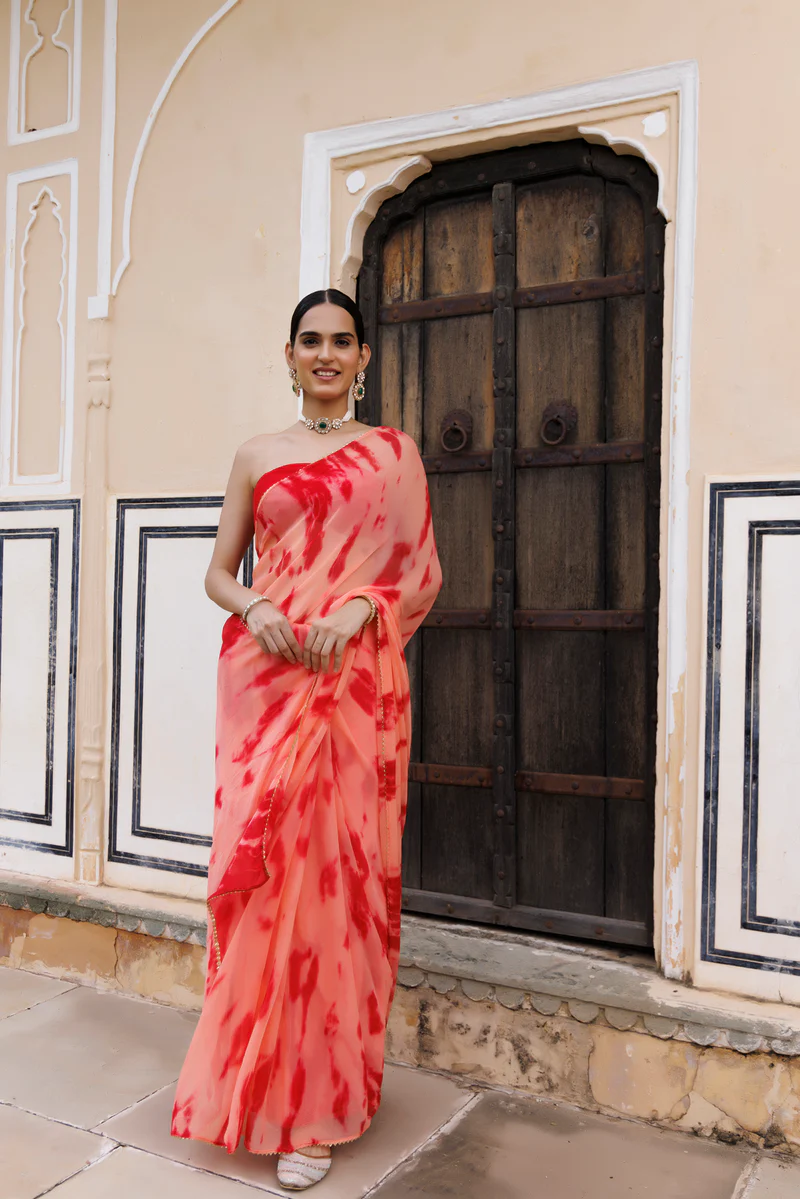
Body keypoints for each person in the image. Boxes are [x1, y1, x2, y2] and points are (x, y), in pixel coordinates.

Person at [171, 289, 442, 1190]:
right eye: (310, 341)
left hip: (354, 690)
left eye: (342, 342)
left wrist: (362, 606)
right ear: (288, 354)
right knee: (263, 886)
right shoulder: (258, 454)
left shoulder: (396, 456)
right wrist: (258, 605)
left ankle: (316, 1107)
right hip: (266, 686)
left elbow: (419, 573)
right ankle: (250, 1082)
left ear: (364, 358)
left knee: (334, 887)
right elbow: (220, 569)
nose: (326, 355)